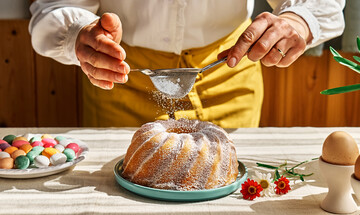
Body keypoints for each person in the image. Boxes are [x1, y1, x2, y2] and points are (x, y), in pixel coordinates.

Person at [29, 0, 345, 128]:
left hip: (227, 71)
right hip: (121, 77)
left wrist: (297, 19)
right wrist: (78, 33)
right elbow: (55, 5)